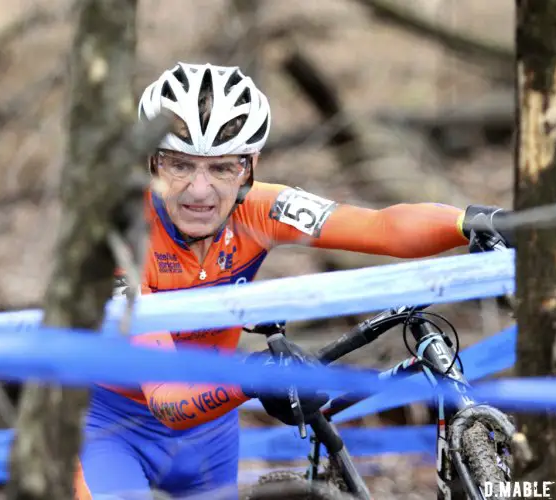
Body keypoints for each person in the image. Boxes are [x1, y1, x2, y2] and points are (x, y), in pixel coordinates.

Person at [73, 62, 514, 499]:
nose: (200, 191)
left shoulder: (260, 210)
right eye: (180, 166)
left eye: (222, 168)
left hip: (209, 436)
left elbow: (381, 227)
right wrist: (251, 377)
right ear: (152, 164)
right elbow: (168, 400)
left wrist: (472, 221)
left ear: (250, 166)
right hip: (113, 431)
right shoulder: (125, 235)